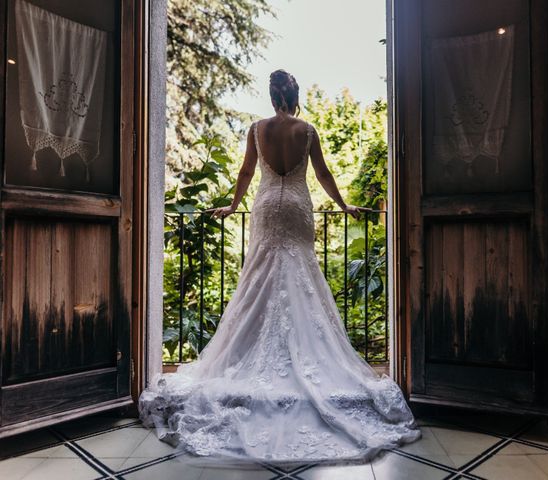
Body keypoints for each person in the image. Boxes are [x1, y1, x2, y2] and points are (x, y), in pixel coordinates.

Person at [139, 69, 420, 465]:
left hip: (269, 207)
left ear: (272, 97)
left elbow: (246, 173)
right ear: (295, 95)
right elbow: (322, 174)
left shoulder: (257, 129)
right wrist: (343, 206)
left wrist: (234, 205)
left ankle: (251, 351)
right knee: (301, 272)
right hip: (298, 209)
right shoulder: (307, 131)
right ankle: (302, 355)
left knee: (259, 276)